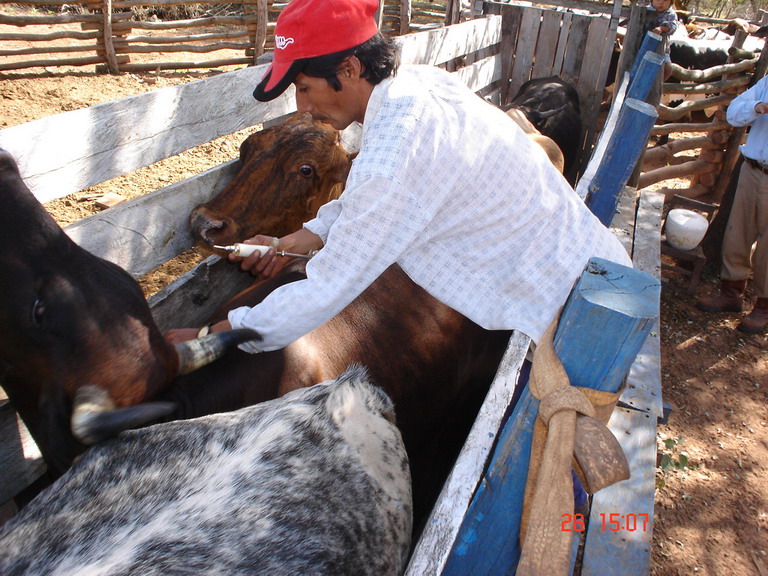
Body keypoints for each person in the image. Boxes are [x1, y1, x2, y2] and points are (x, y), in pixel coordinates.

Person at [166, 0, 631, 352]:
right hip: (599, 275)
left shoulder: (398, 149)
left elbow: (328, 287)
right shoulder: (417, 86)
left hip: (581, 314)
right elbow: (363, 200)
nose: (302, 108)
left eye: (304, 89)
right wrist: (288, 244)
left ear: (348, 69)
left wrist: (212, 335)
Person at [696, 74, 768, 334]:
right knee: (738, 232)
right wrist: (758, 107)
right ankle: (731, 294)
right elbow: (735, 113)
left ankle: (763, 307)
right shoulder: (767, 83)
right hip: (753, 169)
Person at [646, 0, 679, 81]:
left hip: (662, 49)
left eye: (665, 0)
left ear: (671, 2)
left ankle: (657, 84)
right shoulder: (645, 11)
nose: (660, 2)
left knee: (668, 69)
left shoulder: (670, 14)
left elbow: (673, 26)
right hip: (642, 45)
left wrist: (662, 28)